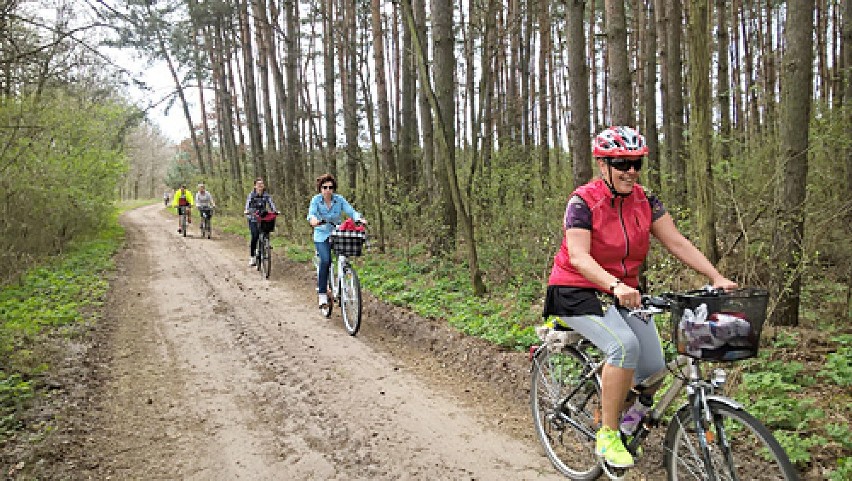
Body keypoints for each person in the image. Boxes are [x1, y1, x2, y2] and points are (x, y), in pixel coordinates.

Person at [542, 126, 737, 468]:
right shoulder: (582, 201)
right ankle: (607, 434)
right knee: (624, 347)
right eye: (622, 163)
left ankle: (614, 409)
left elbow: (676, 242)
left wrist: (715, 276)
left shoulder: (646, 201)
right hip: (575, 290)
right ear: (603, 164)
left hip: (623, 291)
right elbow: (579, 256)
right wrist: (615, 285)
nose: (630, 170)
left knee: (654, 367)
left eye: (636, 163)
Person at [306, 174, 367, 309]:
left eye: (330, 187)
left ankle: (342, 284)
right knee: (326, 260)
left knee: (343, 257)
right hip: (321, 235)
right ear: (320, 188)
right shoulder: (316, 200)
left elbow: (351, 211)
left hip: (337, 233)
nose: (328, 190)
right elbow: (311, 214)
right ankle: (322, 293)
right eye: (324, 187)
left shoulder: (339, 200)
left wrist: (359, 218)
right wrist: (313, 221)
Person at [244, 178, 278, 266]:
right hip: (253, 217)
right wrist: (247, 210)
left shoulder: (266, 195)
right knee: (255, 236)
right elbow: (247, 204)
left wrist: (275, 210)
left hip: (262, 217)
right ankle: (252, 257)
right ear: (255, 186)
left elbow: (271, 203)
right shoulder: (251, 195)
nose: (260, 186)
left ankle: (265, 245)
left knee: (267, 229)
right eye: (258, 184)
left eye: (262, 184)